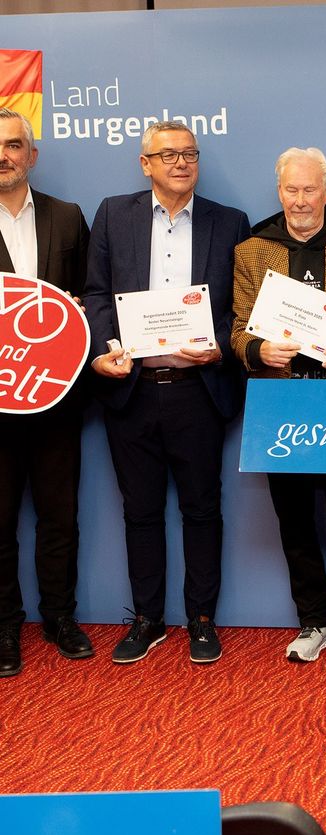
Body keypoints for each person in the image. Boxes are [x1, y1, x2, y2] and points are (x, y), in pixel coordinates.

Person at [84, 120, 250, 665]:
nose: (181, 163)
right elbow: (97, 293)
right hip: (131, 388)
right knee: (141, 512)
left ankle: (201, 618)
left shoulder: (229, 222)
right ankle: (148, 618)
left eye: (189, 154)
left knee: (203, 509)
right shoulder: (113, 213)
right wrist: (103, 350)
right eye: (168, 155)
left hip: (197, 390)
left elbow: (240, 308)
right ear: (145, 163)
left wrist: (221, 346)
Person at [231, 147, 326, 675]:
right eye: (290, 190)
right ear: (280, 193)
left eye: (309, 190)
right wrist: (258, 351)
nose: (300, 200)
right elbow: (238, 329)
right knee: (294, 520)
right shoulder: (251, 251)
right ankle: (314, 620)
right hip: (281, 402)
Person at [0, 108, 92, 676]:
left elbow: (88, 292)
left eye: (13, 145)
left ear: (31, 155)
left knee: (60, 516)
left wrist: (79, 314)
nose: (3, 155)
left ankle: (60, 616)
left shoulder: (66, 216)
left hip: (57, 397)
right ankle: (5, 624)